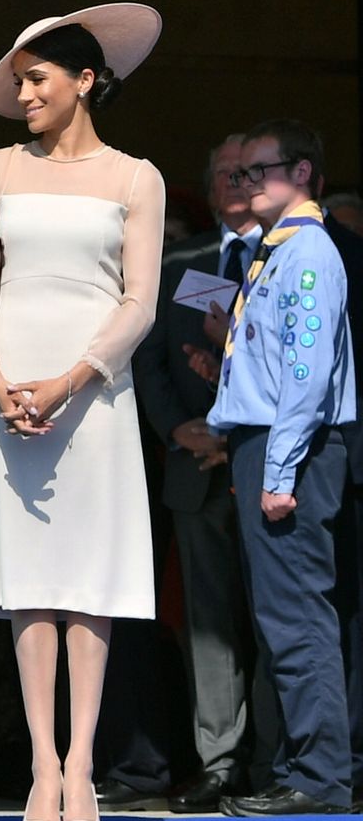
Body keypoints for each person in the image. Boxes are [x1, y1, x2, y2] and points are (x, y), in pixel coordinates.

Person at [0, 4, 167, 821]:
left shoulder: (134, 177)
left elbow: (140, 301)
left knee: (89, 577)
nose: (24, 95)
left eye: (36, 79)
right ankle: (43, 763)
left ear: (86, 80)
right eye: (18, 82)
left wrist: (73, 380)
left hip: (93, 393)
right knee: (31, 582)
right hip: (6, 388)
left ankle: (83, 763)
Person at [207, 119, 355, 816]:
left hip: (289, 443)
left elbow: (306, 374)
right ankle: (303, 765)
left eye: (259, 170)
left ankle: (322, 775)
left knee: (298, 615)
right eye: (239, 174)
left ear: (301, 173)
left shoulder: (308, 253)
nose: (245, 183)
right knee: (282, 615)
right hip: (264, 441)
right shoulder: (277, 251)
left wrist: (279, 471)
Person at [126, 135, 263, 812]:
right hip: (194, 466)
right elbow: (147, 358)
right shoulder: (177, 263)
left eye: (249, 173)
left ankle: (283, 758)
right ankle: (219, 760)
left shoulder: (293, 255)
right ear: (209, 187)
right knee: (208, 624)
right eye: (225, 175)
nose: (237, 184)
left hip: (269, 464)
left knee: (280, 618)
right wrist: (177, 427)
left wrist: (233, 434)